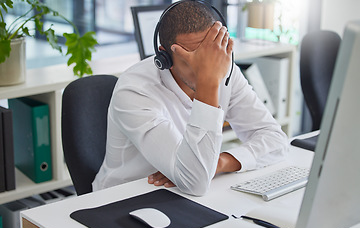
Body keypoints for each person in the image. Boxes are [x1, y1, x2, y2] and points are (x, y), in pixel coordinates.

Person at [92, 1, 288, 196]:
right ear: (164, 58)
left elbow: (276, 141)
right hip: (123, 199)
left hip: (180, 197)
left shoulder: (225, 70)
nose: (205, 68)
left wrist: (219, 162)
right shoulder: (135, 90)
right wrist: (208, 82)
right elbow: (195, 182)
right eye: (192, 60)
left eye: (209, 57)